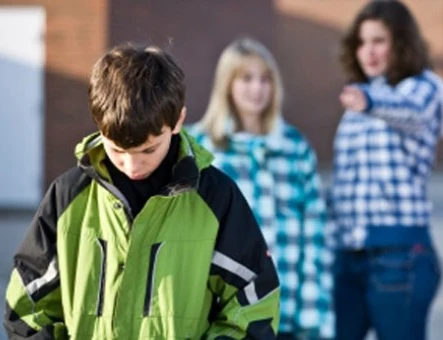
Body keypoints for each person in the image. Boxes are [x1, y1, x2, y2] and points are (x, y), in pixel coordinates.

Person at [4, 44, 280, 339]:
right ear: (99, 126)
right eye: (118, 150)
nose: (133, 166)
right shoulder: (67, 196)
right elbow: (27, 307)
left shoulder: (216, 198)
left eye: (149, 149)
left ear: (178, 121)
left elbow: (254, 305)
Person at [329, 1, 443, 339]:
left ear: (400, 43)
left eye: (379, 41)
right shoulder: (358, 101)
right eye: (362, 42)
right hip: (348, 253)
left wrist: (371, 103)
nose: (368, 51)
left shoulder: (421, 89)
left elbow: (408, 110)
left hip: (399, 254)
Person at [187, 38, 333, 340]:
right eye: (247, 78)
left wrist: (313, 316)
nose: (258, 88)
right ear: (227, 83)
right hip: (227, 315)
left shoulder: (295, 147)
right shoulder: (199, 148)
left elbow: (315, 235)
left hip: (290, 310)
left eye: (266, 79)